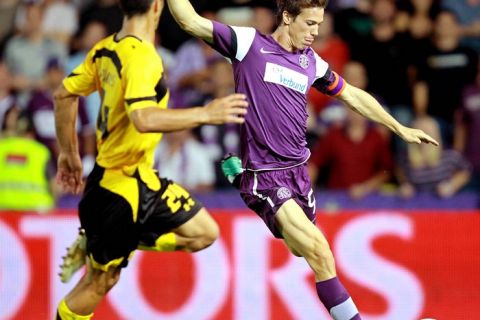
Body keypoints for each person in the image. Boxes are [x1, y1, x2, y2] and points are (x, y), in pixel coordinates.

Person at [167, 0, 438, 319]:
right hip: (266, 176)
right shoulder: (249, 44)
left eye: (319, 25)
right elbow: (189, 20)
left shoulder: (311, 62)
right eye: (310, 24)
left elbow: (351, 95)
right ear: (286, 16)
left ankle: (238, 178)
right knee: (320, 252)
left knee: (299, 249)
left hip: (299, 176)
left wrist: (399, 127)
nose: (316, 32)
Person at [53, 0, 248, 319]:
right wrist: (205, 113)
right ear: (158, 6)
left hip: (141, 178)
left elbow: (63, 95)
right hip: (116, 191)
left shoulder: (106, 48)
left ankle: (97, 241)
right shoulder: (143, 57)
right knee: (101, 282)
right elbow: (143, 117)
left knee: (204, 234)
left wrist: (69, 154)